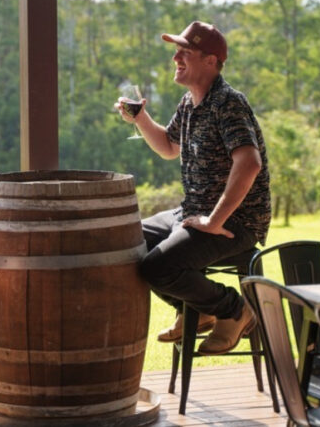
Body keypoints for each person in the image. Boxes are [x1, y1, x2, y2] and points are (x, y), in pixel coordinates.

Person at [115, 21, 271, 354]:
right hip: (193, 211)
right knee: (125, 242)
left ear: (211, 61)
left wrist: (214, 222)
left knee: (158, 266)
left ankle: (234, 310)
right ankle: (195, 309)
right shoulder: (190, 104)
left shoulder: (228, 103)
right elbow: (170, 147)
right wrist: (141, 119)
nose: (176, 58)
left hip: (236, 221)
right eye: (176, 51)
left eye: (186, 52)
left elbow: (250, 163)